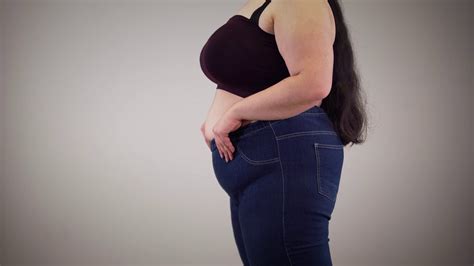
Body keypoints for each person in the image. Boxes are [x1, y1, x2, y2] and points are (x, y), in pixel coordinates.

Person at [199, 0, 367, 265]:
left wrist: (233, 114)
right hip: (262, 161)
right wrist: (214, 119)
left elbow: (313, 83)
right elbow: (247, 73)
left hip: (284, 158)